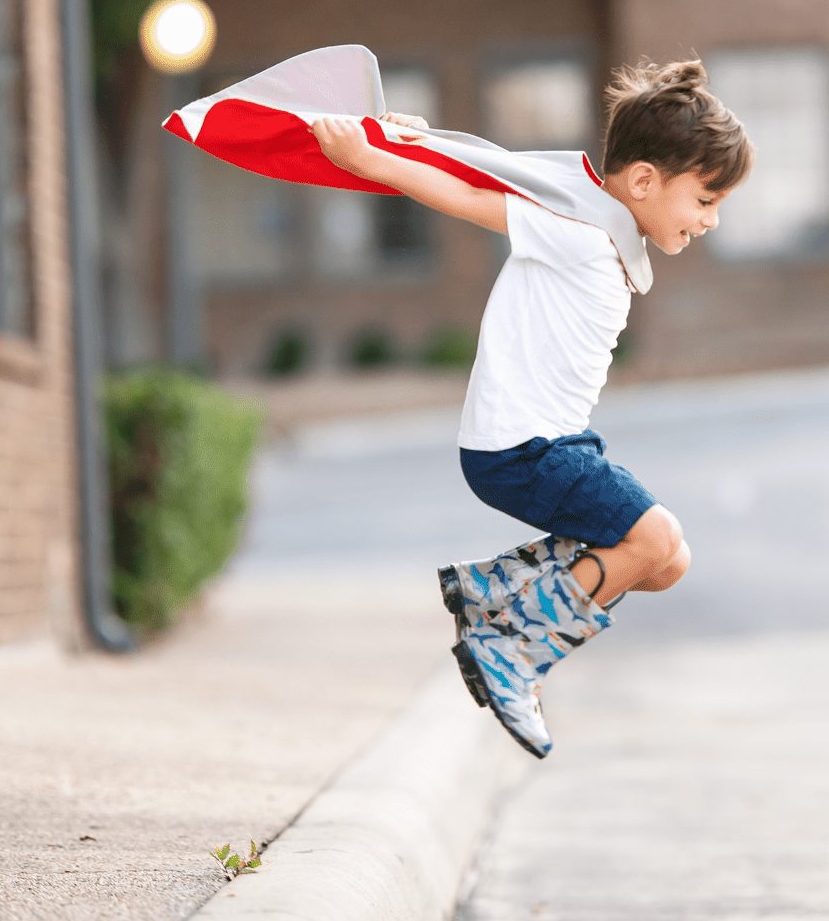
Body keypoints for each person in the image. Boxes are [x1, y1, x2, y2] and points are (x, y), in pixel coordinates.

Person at [312, 58, 753, 757]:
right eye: (704, 199)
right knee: (654, 536)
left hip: (558, 444)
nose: (712, 219)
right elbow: (471, 195)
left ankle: (493, 590)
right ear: (644, 181)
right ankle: (512, 646)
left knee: (668, 561)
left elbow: (495, 162)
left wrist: (421, 138)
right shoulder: (577, 231)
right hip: (520, 449)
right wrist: (374, 159)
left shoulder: (598, 227)